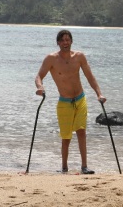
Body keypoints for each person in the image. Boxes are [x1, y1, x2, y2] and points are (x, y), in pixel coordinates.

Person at [35, 29, 106, 174]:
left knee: (81, 132)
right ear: (58, 43)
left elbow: (90, 77)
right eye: (62, 40)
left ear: (71, 41)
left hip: (80, 99)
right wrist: (40, 87)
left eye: (68, 40)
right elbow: (39, 76)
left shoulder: (79, 57)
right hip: (64, 102)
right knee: (66, 137)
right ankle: (64, 167)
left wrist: (99, 94)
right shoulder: (51, 59)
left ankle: (84, 166)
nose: (65, 43)